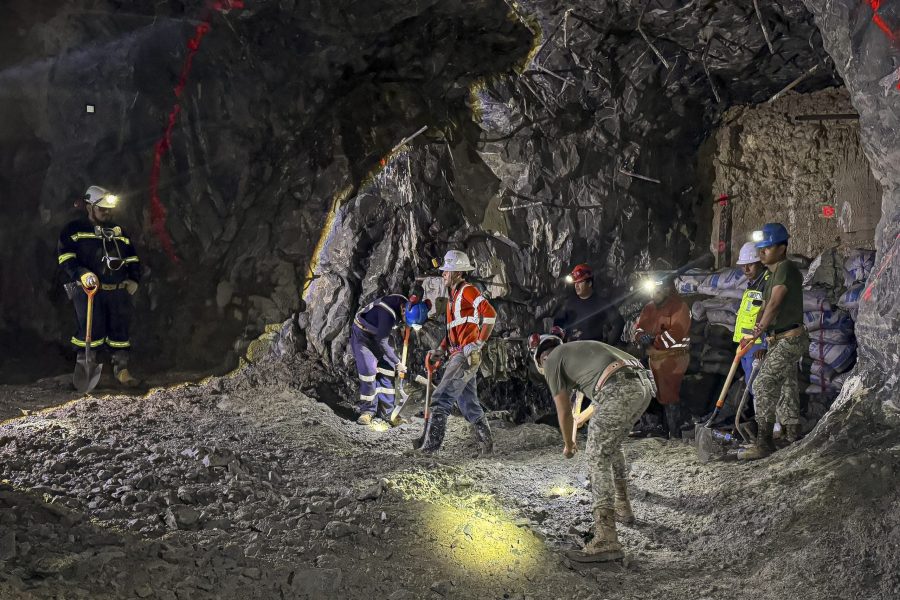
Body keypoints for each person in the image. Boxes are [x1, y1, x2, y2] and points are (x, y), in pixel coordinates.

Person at [529, 334, 653, 562]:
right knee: (611, 446)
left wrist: (568, 444)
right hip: (642, 385)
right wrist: (583, 418)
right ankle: (622, 506)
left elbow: (564, 411)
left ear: (540, 360)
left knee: (597, 456)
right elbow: (606, 392)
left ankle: (606, 538)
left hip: (618, 388)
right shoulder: (578, 352)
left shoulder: (553, 360)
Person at [58, 186, 141, 387]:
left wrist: (134, 279)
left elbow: (131, 257)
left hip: (117, 290)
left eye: (108, 209)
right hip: (88, 291)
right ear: (89, 207)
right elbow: (66, 257)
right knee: (90, 330)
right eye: (101, 208)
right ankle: (86, 371)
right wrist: (81, 273)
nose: (106, 212)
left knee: (119, 330)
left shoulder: (118, 231)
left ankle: (121, 370)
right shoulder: (74, 229)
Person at [739, 223, 808, 460]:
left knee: (763, 383)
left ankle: (764, 442)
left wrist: (758, 331)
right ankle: (791, 433)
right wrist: (755, 332)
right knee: (786, 383)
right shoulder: (771, 274)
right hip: (779, 339)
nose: (762, 252)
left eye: (767, 248)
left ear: (782, 248)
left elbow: (776, 303)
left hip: (790, 338)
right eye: (761, 248)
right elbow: (766, 306)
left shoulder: (785, 268)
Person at [421, 250, 497, 455]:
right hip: (459, 353)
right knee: (469, 404)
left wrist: (479, 342)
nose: (443, 274)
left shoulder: (468, 290)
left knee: (440, 397)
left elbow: (490, 313)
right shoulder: (453, 297)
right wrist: (441, 349)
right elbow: (453, 331)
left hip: (466, 354)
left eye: (446, 271)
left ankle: (430, 449)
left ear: (456, 272)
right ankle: (487, 449)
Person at [350, 289, 427, 426]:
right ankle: (367, 411)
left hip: (378, 334)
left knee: (387, 369)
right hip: (363, 335)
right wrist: (398, 363)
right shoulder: (387, 313)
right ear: (404, 311)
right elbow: (382, 342)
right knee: (368, 370)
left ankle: (388, 414)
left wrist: (394, 364)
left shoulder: (404, 303)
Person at [632, 274, 691, 438]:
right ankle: (656, 428)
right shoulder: (649, 308)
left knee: (669, 394)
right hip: (654, 358)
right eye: (652, 292)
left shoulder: (679, 307)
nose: (653, 295)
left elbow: (676, 334)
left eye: (657, 291)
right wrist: (641, 337)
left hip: (674, 358)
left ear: (667, 289)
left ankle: (675, 433)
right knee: (647, 390)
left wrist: (654, 340)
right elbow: (638, 328)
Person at [553, 264, 624, 345]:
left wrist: (608, 345)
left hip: (592, 351)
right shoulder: (568, 303)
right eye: (575, 283)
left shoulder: (601, 304)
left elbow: (619, 323)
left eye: (580, 282)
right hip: (571, 350)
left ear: (589, 283)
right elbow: (557, 325)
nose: (577, 286)